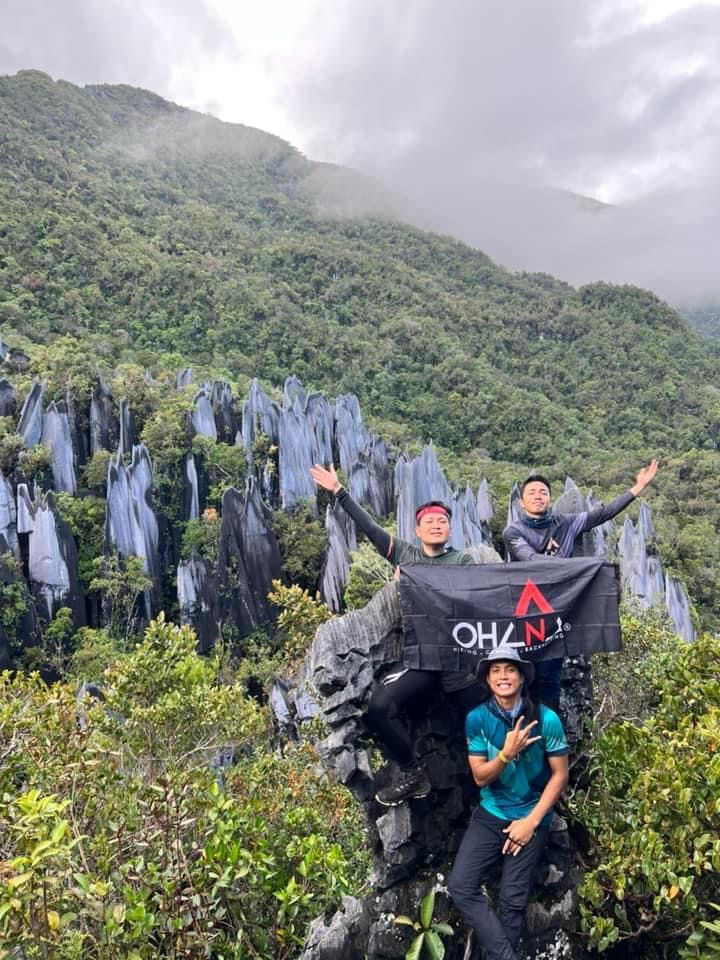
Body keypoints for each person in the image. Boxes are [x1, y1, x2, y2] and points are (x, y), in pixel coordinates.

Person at [310, 462, 496, 806]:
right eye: (430, 522)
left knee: (487, 726)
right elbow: (370, 529)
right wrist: (339, 491)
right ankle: (413, 773)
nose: (437, 525)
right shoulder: (407, 556)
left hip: (459, 658)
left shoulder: (463, 561)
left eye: (443, 521)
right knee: (379, 708)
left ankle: (507, 793)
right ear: (419, 529)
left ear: (450, 529)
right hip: (422, 658)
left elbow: (481, 601)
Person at [501, 459, 658, 708]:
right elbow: (529, 560)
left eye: (543, 492)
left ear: (549, 499)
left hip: (557, 611)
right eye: (531, 493)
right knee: (521, 676)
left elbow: (603, 514)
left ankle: (549, 738)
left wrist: (638, 487)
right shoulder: (513, 532)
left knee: (550, 679)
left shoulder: (566, 523)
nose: (538, 496)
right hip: (524, 613)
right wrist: (570, 567)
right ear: (521, 502)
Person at [448, 645, 568, 960]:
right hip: (492, 812)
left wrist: (530, 823)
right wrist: (505, 754)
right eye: (496, 670)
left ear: (521, 677)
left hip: (532, 815)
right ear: (487, 679)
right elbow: (479, 777)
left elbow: (559, 776)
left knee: (512, 901)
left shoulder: (546, 719)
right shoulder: (477, 719)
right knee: (461, 886)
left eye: (510, 669)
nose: (503, 676)